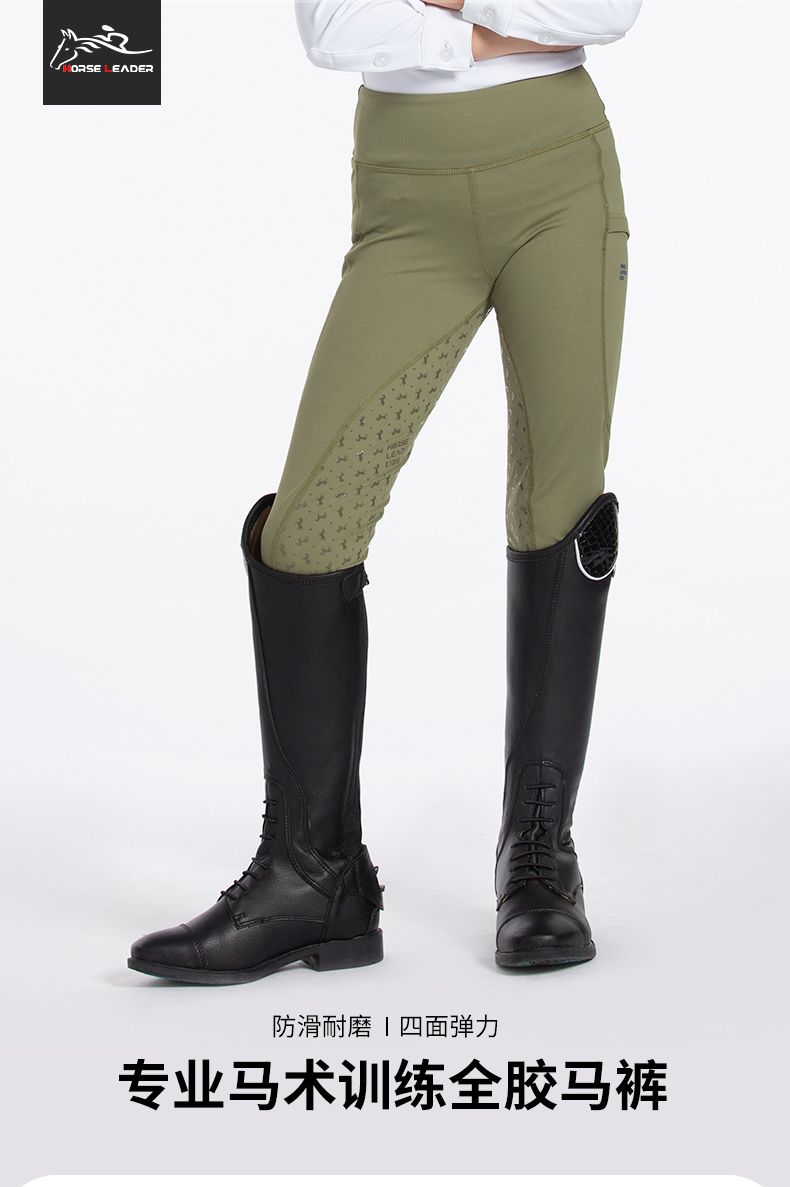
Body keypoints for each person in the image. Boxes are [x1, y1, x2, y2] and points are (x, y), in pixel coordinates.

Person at [128, 0, 643, 984]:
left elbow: (605, 9)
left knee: (560, 505)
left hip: (561, 178)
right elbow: (330, 26)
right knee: (307, 531)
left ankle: (538, 856)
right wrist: (492, 29)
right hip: (408, 198)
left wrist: (443, 9)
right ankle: (312, 873)